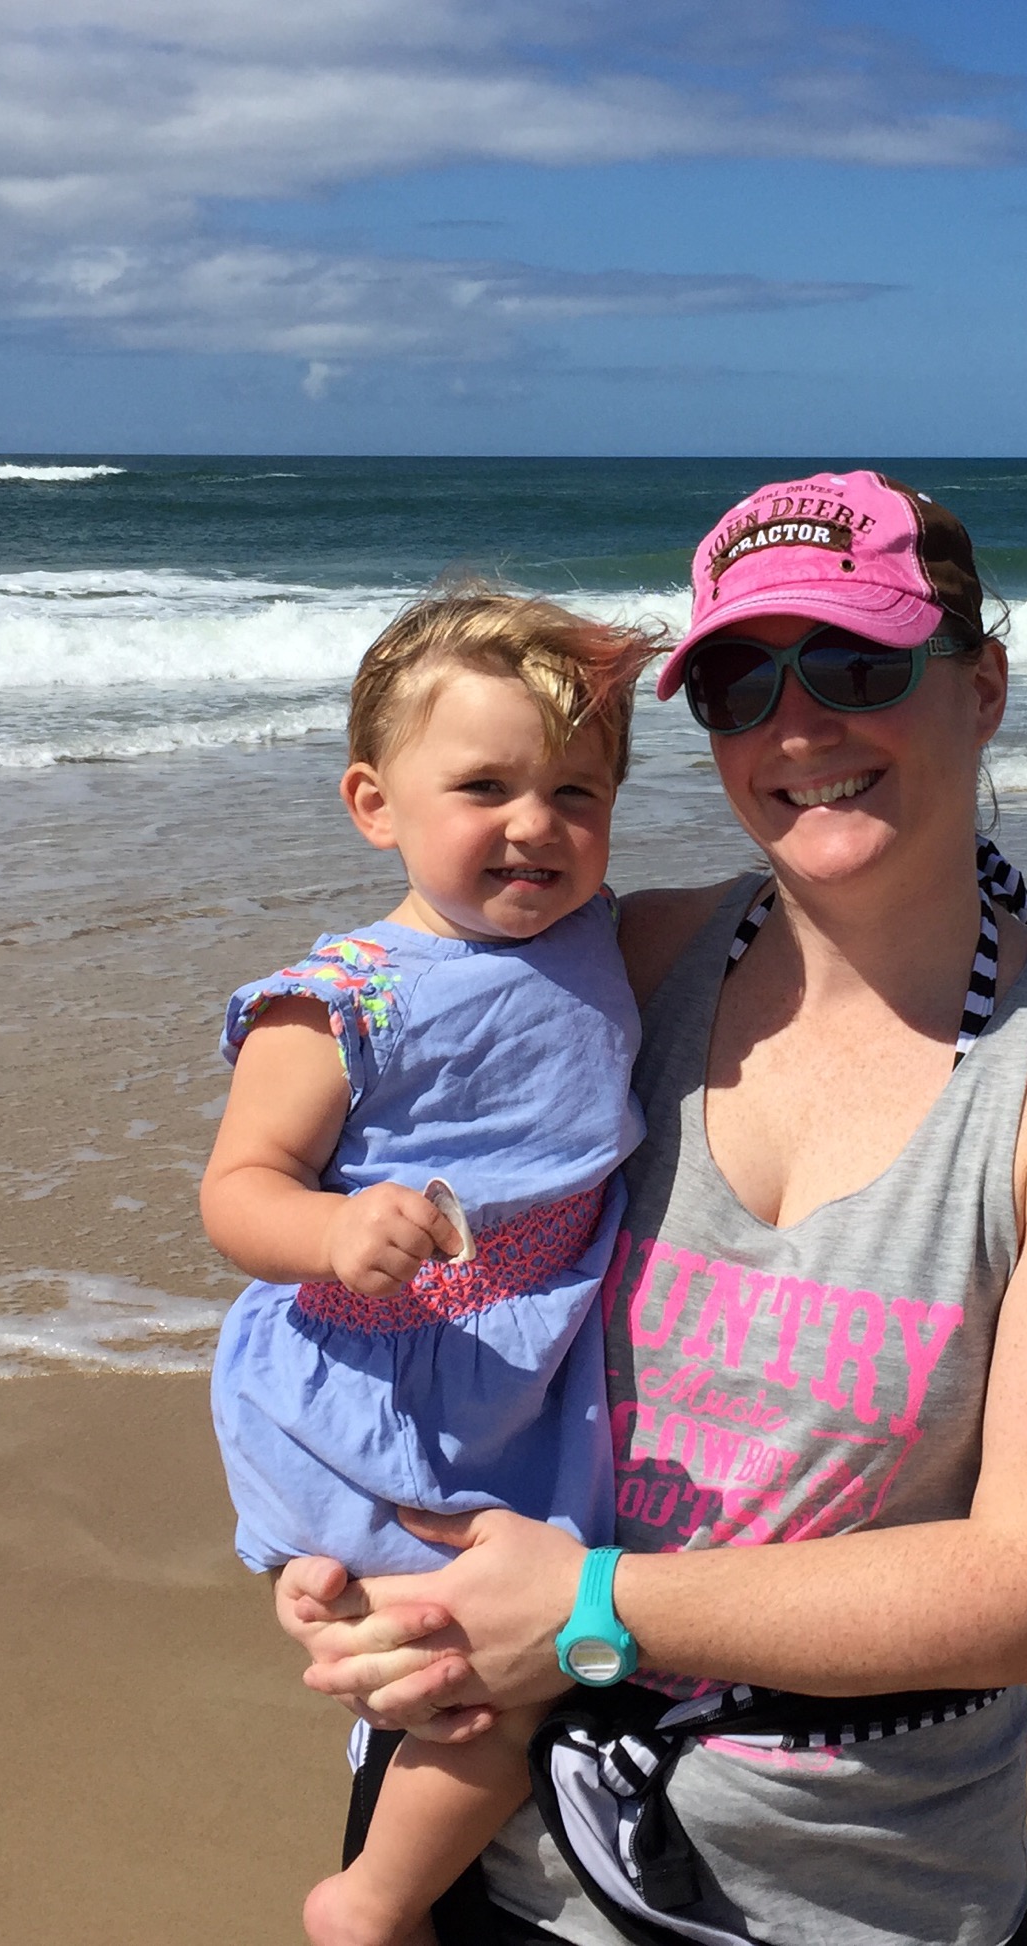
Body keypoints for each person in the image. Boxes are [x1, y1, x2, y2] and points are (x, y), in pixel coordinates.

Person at [274, 472, 1027, 1946]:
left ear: (982, 687)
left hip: (844, 1893)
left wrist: (592, 1608)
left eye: (855, 665)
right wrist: (342, 1546)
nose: (797, 727)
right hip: (487, 1854)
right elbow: (372, 1253)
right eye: (738, 684)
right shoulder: (622, 968)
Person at [201, 584, 663, 1946]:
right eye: (484, 787)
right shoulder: (343, 1000)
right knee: (487, 1678)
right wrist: (334, 1230)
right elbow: (237, 1191)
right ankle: (373, 1901)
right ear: (375, 803)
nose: (537, 824)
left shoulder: (603, 935)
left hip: (533, 1362)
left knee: (502, 1626)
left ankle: (329, 1596)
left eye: (578, 792)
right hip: (391, 1373)